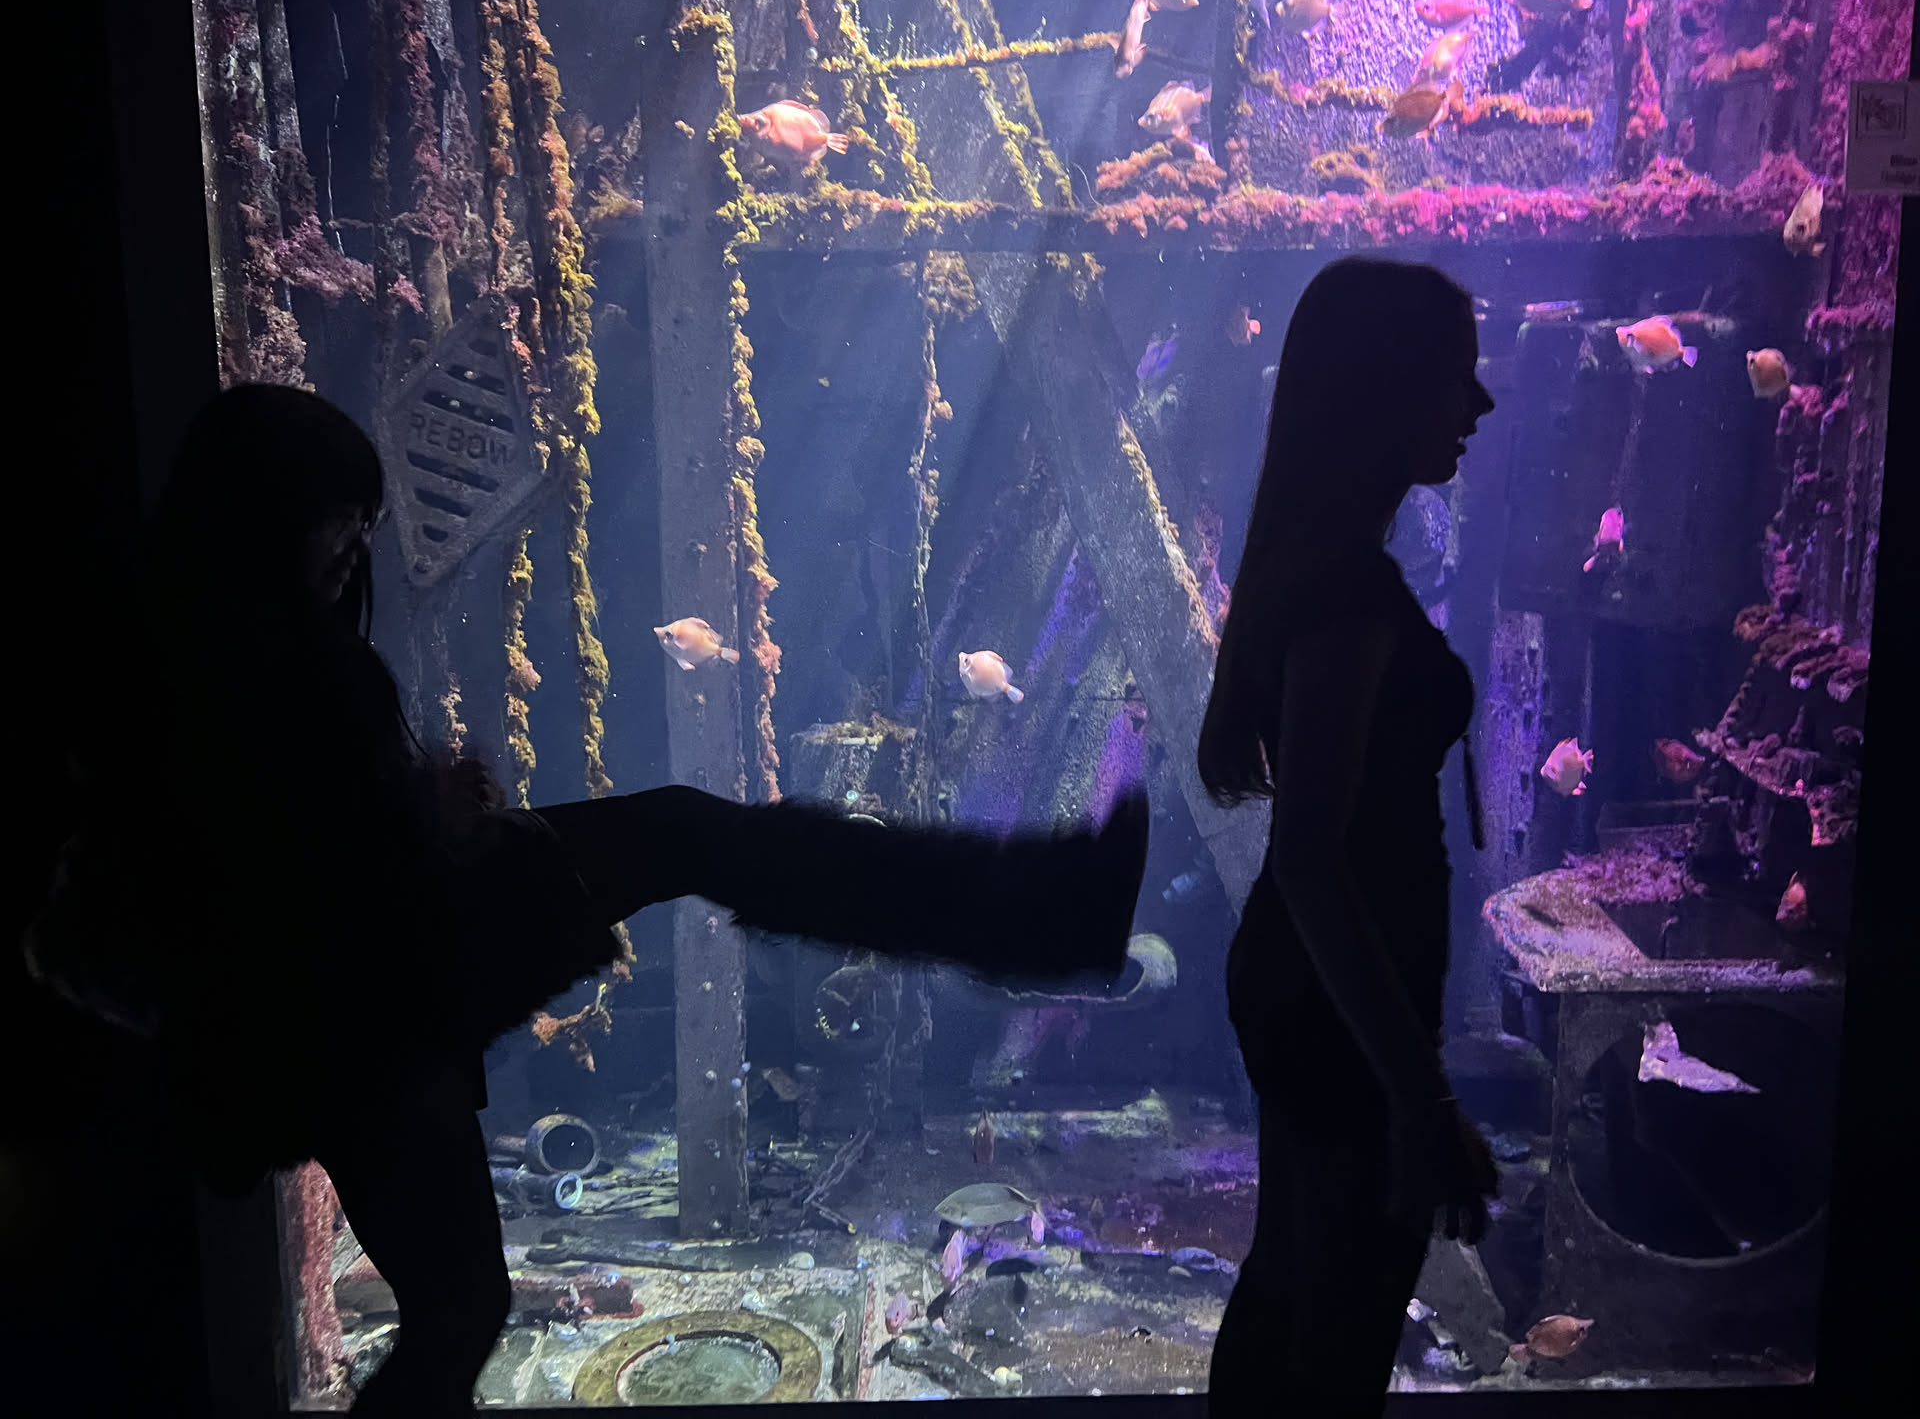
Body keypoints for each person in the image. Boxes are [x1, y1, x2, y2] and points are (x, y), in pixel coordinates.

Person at [25, 384, 1148, 1415]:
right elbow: (273, 882)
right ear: (257, 518)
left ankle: (1044, 914)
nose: (350, 549)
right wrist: (429, 822)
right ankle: (1043, 917)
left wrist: (422, 814)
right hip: (356, 1013)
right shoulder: (207, 680)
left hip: (380, 989)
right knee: (687, 843)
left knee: (464, 1301)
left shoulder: (226, 657)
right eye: (334, 521)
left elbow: (311, 848)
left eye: (362, 523)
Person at [1199, 258, 1501, 1417]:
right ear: (1386, 387)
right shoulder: (1346, 595)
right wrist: (1420, 1102)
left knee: (1290, 1281)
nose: (1479, 403)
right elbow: (1313, 858)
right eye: (1457, 375)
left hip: (1312, 990)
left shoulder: (1317, 565)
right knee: (1342, 1324)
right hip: (1337, 1009)